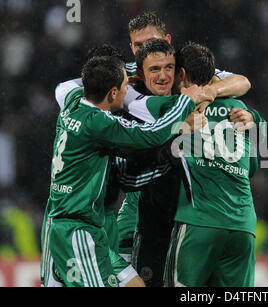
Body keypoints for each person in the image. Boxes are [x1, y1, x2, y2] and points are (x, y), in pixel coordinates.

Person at [40, 55, 206, 287]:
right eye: (126, 85)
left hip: (88, 228)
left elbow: (64, 86)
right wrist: (184, 102)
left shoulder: (73, 101)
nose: (129, 90)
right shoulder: (98, 123)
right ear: (113, 93)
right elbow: (151, 134)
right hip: (77, 229)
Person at [116, 11, 253, 265]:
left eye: (152, 41)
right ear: (131, 47)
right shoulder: (127, 77)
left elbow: (242, 82)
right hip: (144, 196)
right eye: (138, 45)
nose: (145, 49)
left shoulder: (182, 68)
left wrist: (210, 91)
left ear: (168, 41)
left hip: (188, 201)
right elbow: (74, 89)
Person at [164, 42, 264, 287]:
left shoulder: (178, 110)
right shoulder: (240, 109)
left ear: (182, 74)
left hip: (199, 221)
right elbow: (252, 167)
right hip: (242, 226)